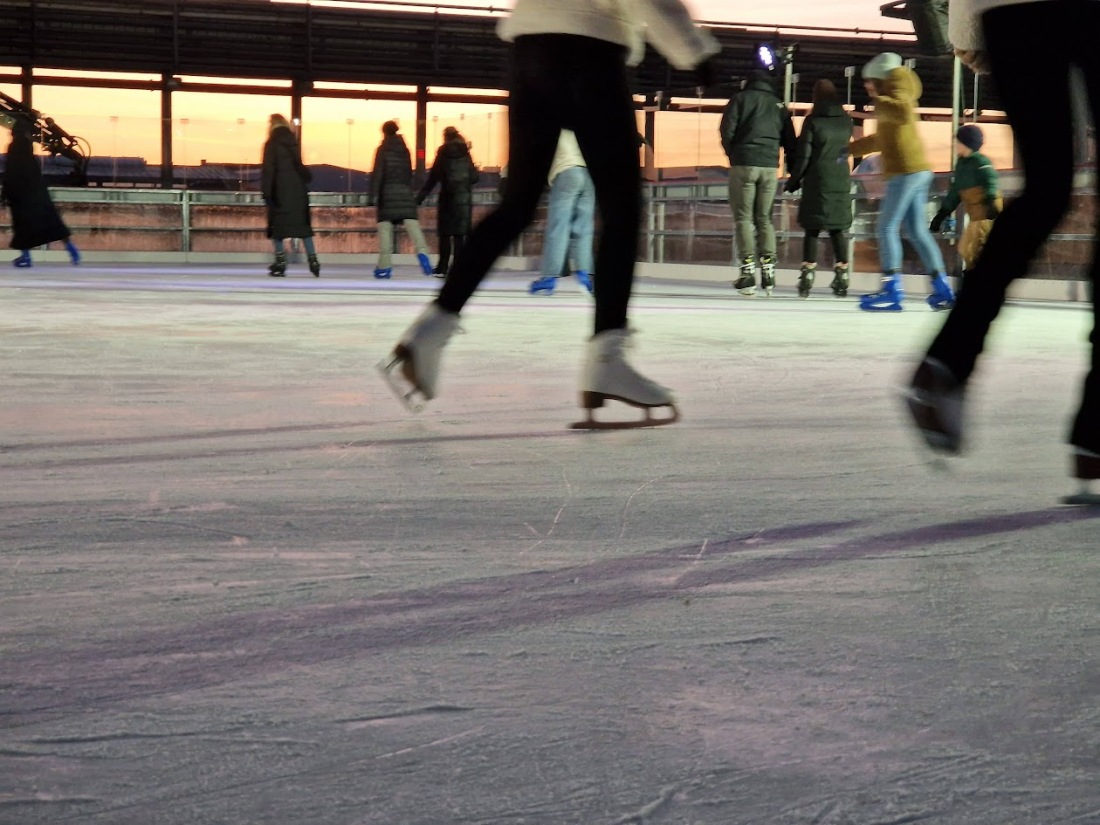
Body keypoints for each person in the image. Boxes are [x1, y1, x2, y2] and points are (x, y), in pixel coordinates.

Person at [378, 0, 720, 429]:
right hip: (589, 51)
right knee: (621, 208)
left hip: (529, 52)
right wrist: (695, 51)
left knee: (518, 204)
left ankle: (429, 332)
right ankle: (607, 359)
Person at [906, 0, 1100, 500]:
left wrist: (966, 23)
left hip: (1008, 10)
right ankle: (1095, 438)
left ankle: (947, 362)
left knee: (1046, 190)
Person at [848, 53, 955, 312]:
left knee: (885, 228)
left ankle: (892, 289)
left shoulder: (898, 90)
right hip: (915, 170)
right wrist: (848, 150)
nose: (866, 86)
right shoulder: (895, 95)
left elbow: (903, 112)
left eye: (868, 81)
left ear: (879, 77)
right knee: (917, 231)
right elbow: (881, 139)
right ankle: (942, 289)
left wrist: (878, 101)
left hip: (905, 172)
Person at [719, 69, 796, 296]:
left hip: (744, 164)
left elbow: (727, 130)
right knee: (764, 218)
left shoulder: (740, 99)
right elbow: (790, 140)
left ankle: (747, 273)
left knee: (743, 218)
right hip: (770, 167)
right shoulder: (778, 105)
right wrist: (791, 170)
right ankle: (769, 271)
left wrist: (734, 154)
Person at [785, 79, 853, 299]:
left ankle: (808, 276)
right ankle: (842, 275)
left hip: (817, 179)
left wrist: (794, 179)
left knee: (812, 229)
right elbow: (853, 150)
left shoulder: (812, 121)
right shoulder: (846, 121)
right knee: (837, 228)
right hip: (840, 177)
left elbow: (804, 155)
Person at [529, 129, 596, 296]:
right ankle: (584, 274)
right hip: (589, 174)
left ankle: (548, 277)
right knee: (583, 227)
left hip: (567, 171)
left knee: (558, 227)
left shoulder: (553, 122)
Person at [929, 123, 1002, 277]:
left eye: (958, 141)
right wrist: (942, 213)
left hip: (986, 212)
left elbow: (990, 180)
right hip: (975, 215)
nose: (955, 144)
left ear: (967, 143)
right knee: (965, 249)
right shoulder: (961, 164)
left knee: (974, 248)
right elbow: (956, 191)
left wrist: (990, 201)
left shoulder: (981, 161)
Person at [1, 127, 80, 268]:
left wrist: (4, 196)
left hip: (21, 198)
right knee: (53, 223)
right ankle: (71, 249)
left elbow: (10, 175)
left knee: (22, 228)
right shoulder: (31, 158)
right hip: (38, 195)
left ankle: (26, 257)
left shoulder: (14, 152)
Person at [371, 120, 433, 279]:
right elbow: (409, 173)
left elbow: (378, 174)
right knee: (412, 223)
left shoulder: (382, 149)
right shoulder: (405, 150)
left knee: (385, 228)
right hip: (405, 191)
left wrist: (373, 196)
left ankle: (384, 266)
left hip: (388, 193)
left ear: (384, 132)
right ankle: (423, 253)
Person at [417, 126, 479, 279]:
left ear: (445, 137)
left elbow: (434, 176)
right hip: (464, 199)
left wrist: (420, 197)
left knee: (445, 235)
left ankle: (442, 268)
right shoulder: (466, 153)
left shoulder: (443, 152)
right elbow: (474, 178)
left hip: (448, 198)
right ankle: (458, 269)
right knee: (460, 236)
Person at [261, 114, 318, 278]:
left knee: (277, 228)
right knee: (303, 229)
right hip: (298, 192)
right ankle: (313, 261)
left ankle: (280, 262)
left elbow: (269, 171)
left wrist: (267, 193)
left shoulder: (271, 144)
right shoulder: (293, 143)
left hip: (280, 192)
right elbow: (299, 166)